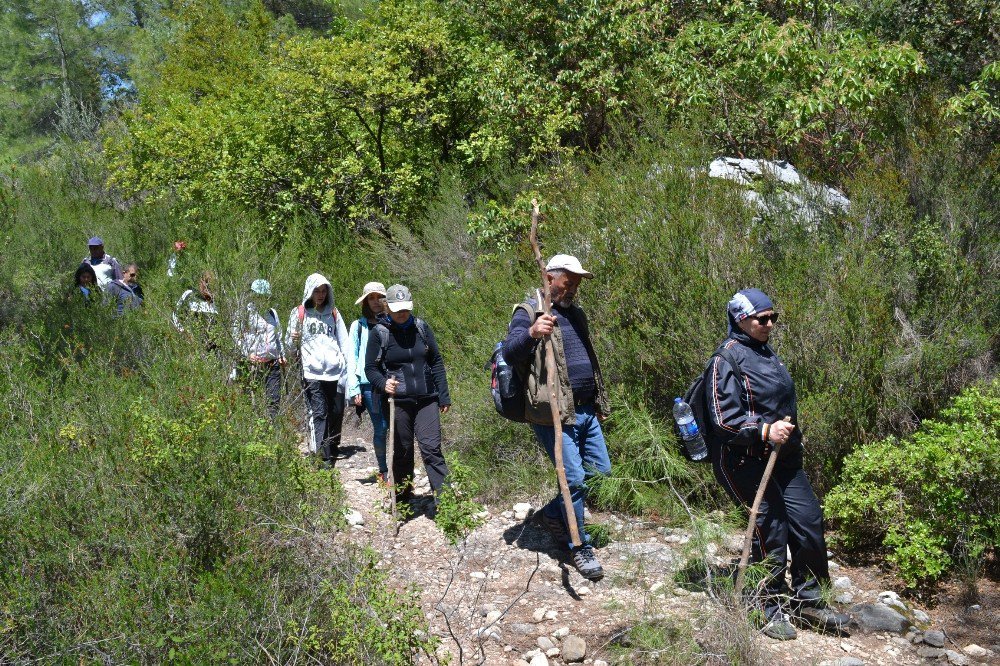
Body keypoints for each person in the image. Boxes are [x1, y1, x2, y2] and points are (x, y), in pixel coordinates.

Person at [708, 288, 849, 640]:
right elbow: (723, 420)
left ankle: (810, 601)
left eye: (774, 317)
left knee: (809, 520)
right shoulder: (726, 359)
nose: (770, 323)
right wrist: (765, 430)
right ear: (741, 319)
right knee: (770, 530)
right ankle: (765, 607)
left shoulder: (765, 352)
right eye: (762, 318)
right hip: (744, 460)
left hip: (783, 460)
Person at [501, 254, 611, 582]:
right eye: (569, 282)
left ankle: (552, 513)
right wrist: (533, 332)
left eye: (576, 283)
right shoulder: (528, 310)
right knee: (573, 479)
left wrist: (598, 399)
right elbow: (510, 352)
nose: (574, 288)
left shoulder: (575, 313)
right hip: (552, 414)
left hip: (585, 409)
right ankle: (579, 546)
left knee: (601, 473)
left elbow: (588, 359)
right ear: (550, 279)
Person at [365, 284, 450, 505]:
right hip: (397, 401)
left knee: (431, 449)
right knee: (402, 451)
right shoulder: (380, 333)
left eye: (405, 308)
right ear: (387, 307)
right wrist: (384, 383)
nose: (402, 313)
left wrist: (443, 395)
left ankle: (447, 504)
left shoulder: (421, 328)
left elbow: (436, 361)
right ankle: (402, 500)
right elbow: (370, 369)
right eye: (396, 309)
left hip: (426, 399)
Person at [287, 273, 352, 466]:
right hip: (311, 371)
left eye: (324, 291)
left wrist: (346, 368)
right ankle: (322, 458)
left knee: (335, 411)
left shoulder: (334, 313)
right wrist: (293, 340)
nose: (321, 295)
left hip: (334, 371)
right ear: (310, 291)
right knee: (319, 412)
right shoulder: (299, 313)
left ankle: (331, 447)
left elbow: (344, 341)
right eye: (317, 291)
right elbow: (289, 345)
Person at [346, 281, 390, 481]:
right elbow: (352, 357)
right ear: (365, 302)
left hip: (392, 383)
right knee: (380, 426)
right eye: (370, 298)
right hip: (368, 384)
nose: (375, 302)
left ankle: (397, 467)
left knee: (396, 426)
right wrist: (354, 388)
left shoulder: (393, 322)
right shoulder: (358, 327)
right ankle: (383, 469)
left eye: (378, 297)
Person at [232, 278, 286, 419]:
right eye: (259, 295)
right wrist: (247, 354)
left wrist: (282, 354)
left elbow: (278, 335)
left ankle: (271, 432)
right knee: (250, 401)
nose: (263, 299)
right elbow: (236, 335)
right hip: (252, 364)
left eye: (265, 296)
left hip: (272, 363)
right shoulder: (244, 312)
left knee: (273, 400)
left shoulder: (272, 313)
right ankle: (251, 433)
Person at [173, 270, 220, 349]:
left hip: (211, 351)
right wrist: (186, 334)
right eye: (206, 282)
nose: (207, 286)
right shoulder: (190, 294)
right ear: (201, 282)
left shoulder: (216, 305)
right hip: (192, 348)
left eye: (210, 284)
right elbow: (175, 315)